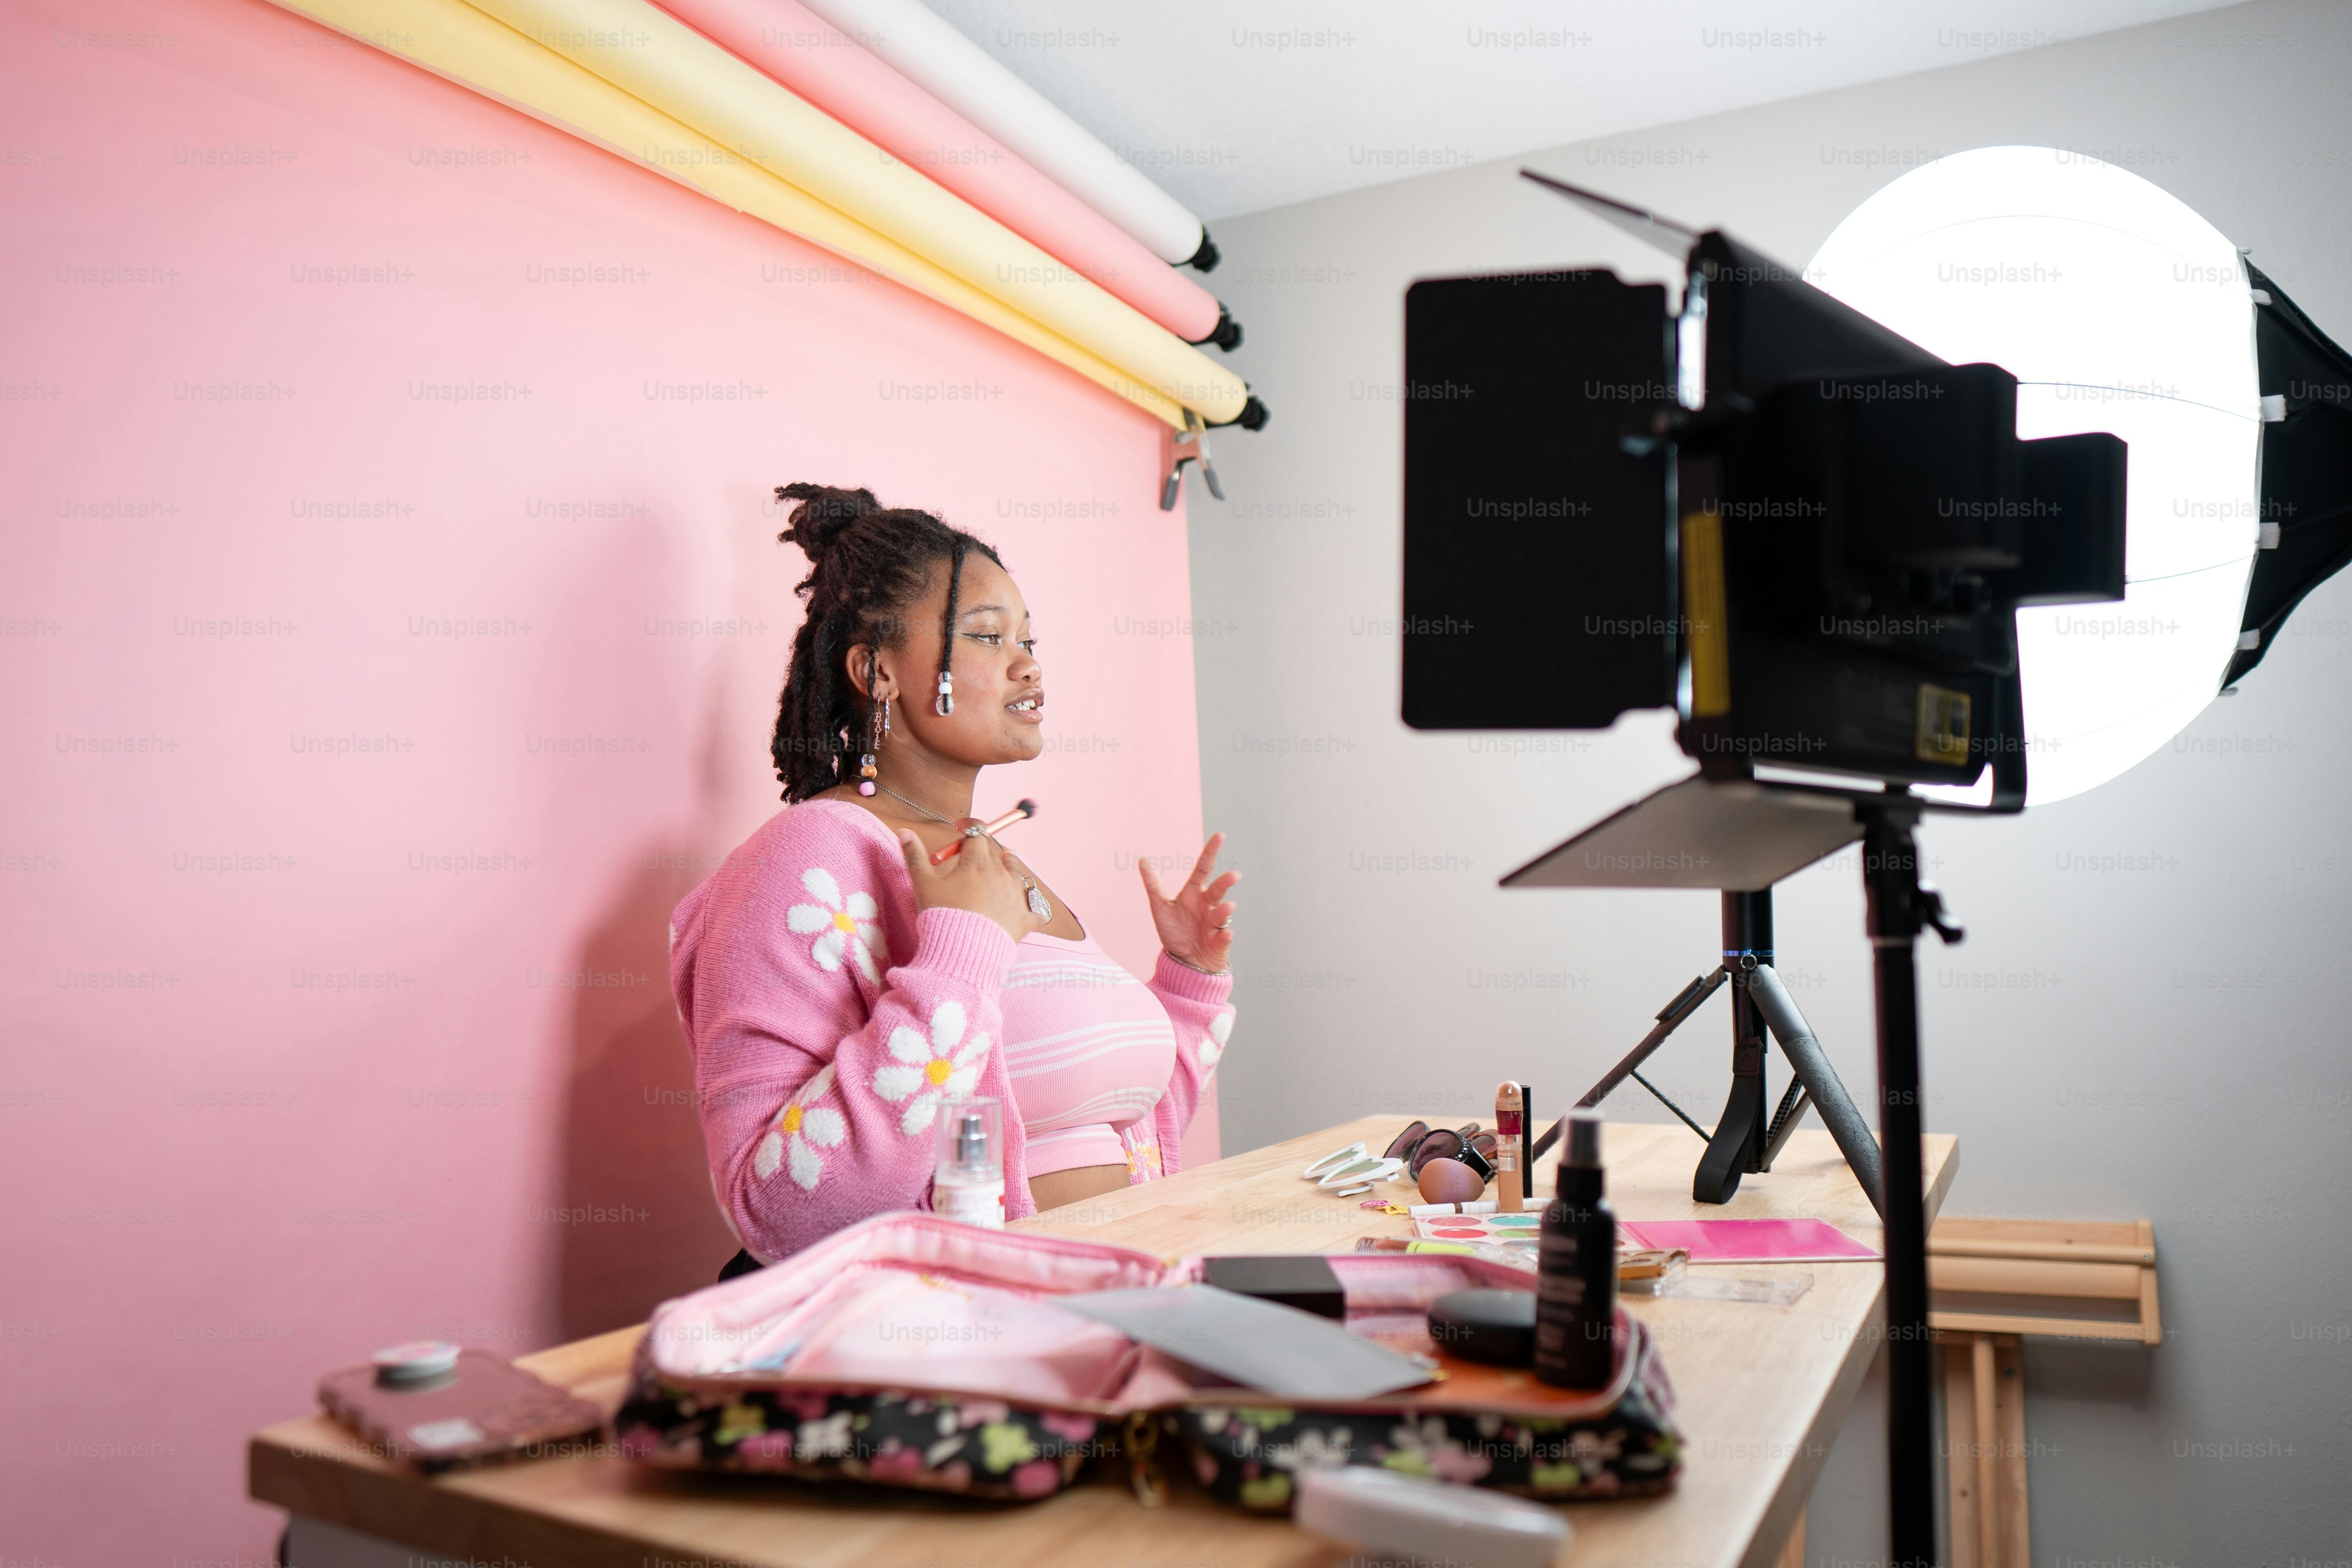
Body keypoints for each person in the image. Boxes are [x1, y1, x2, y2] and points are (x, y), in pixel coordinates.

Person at [670, 484, 1240, 1270]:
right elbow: (783, 1211)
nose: (1026, 666)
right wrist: (955, 957)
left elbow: (1117, 1135)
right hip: (946, 1338)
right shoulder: (800, 862)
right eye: (984, 637)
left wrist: (1186, 985)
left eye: (1029, 642)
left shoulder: (994, 862)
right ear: (877, 671)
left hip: (1108, 1314)